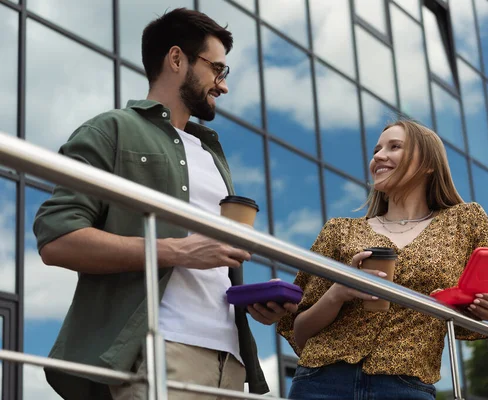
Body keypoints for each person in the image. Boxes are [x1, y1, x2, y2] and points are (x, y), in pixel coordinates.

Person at [33, 8, 297, 400]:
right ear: (177, 59)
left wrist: (256, 302)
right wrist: (176, 250)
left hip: (231, 361)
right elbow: (57, 238)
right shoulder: (111, 130)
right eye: (217, 70)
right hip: (162, 351)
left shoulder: (212, 155)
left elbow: (210, 266)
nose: (222, 86)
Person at [276, 119, 488, 400]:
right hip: (320, 382)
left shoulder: (465, 221)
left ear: (429, 163)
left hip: (406, 387)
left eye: (394, 147)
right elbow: (300, 332)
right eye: (376, 150)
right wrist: (338, 293)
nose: (378, 157)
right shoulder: (339, 230)